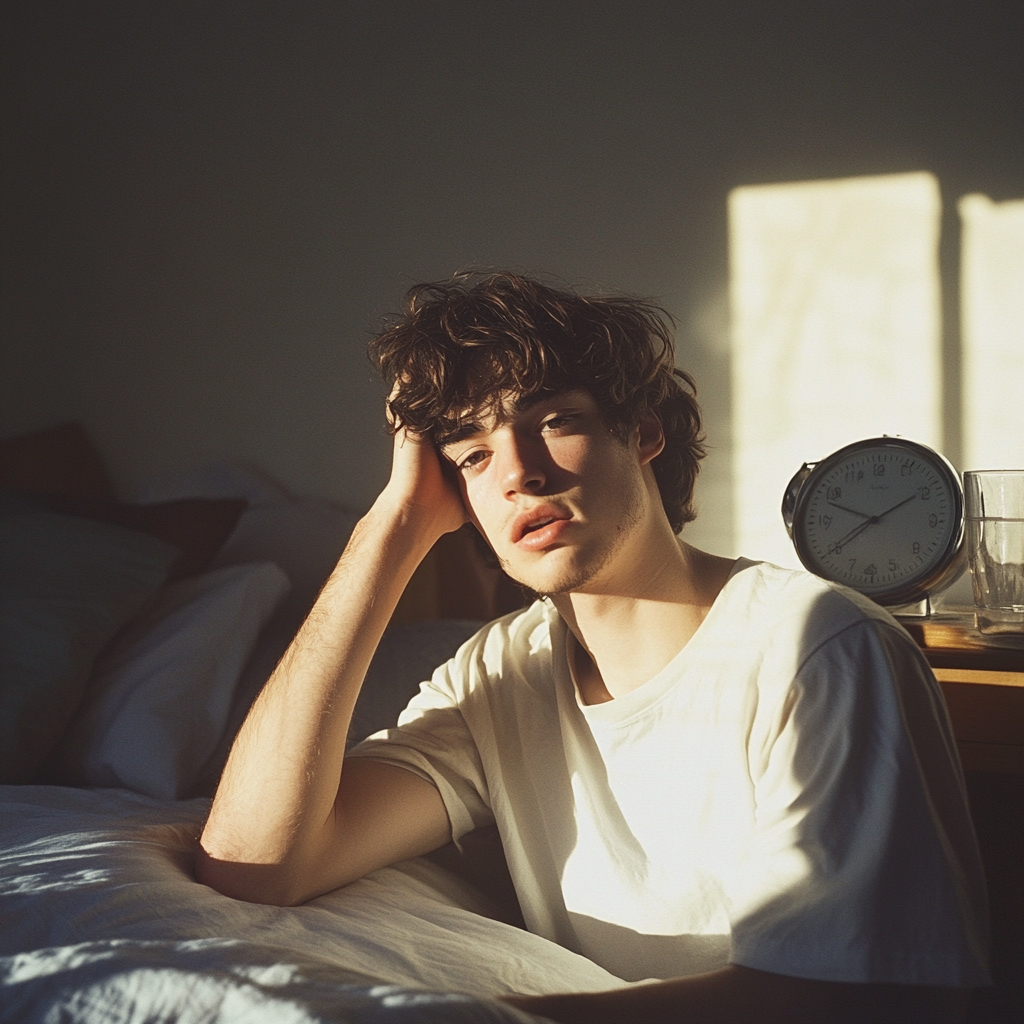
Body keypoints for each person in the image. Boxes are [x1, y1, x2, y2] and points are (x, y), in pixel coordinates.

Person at [197, 271, 990, 1023]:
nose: (518, 474)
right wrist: (392, 528)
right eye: (472, 455)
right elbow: (255, 864)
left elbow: (873, 1003)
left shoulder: (819, 646)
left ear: (642, 431)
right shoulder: (498, 672)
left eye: (553, 421)